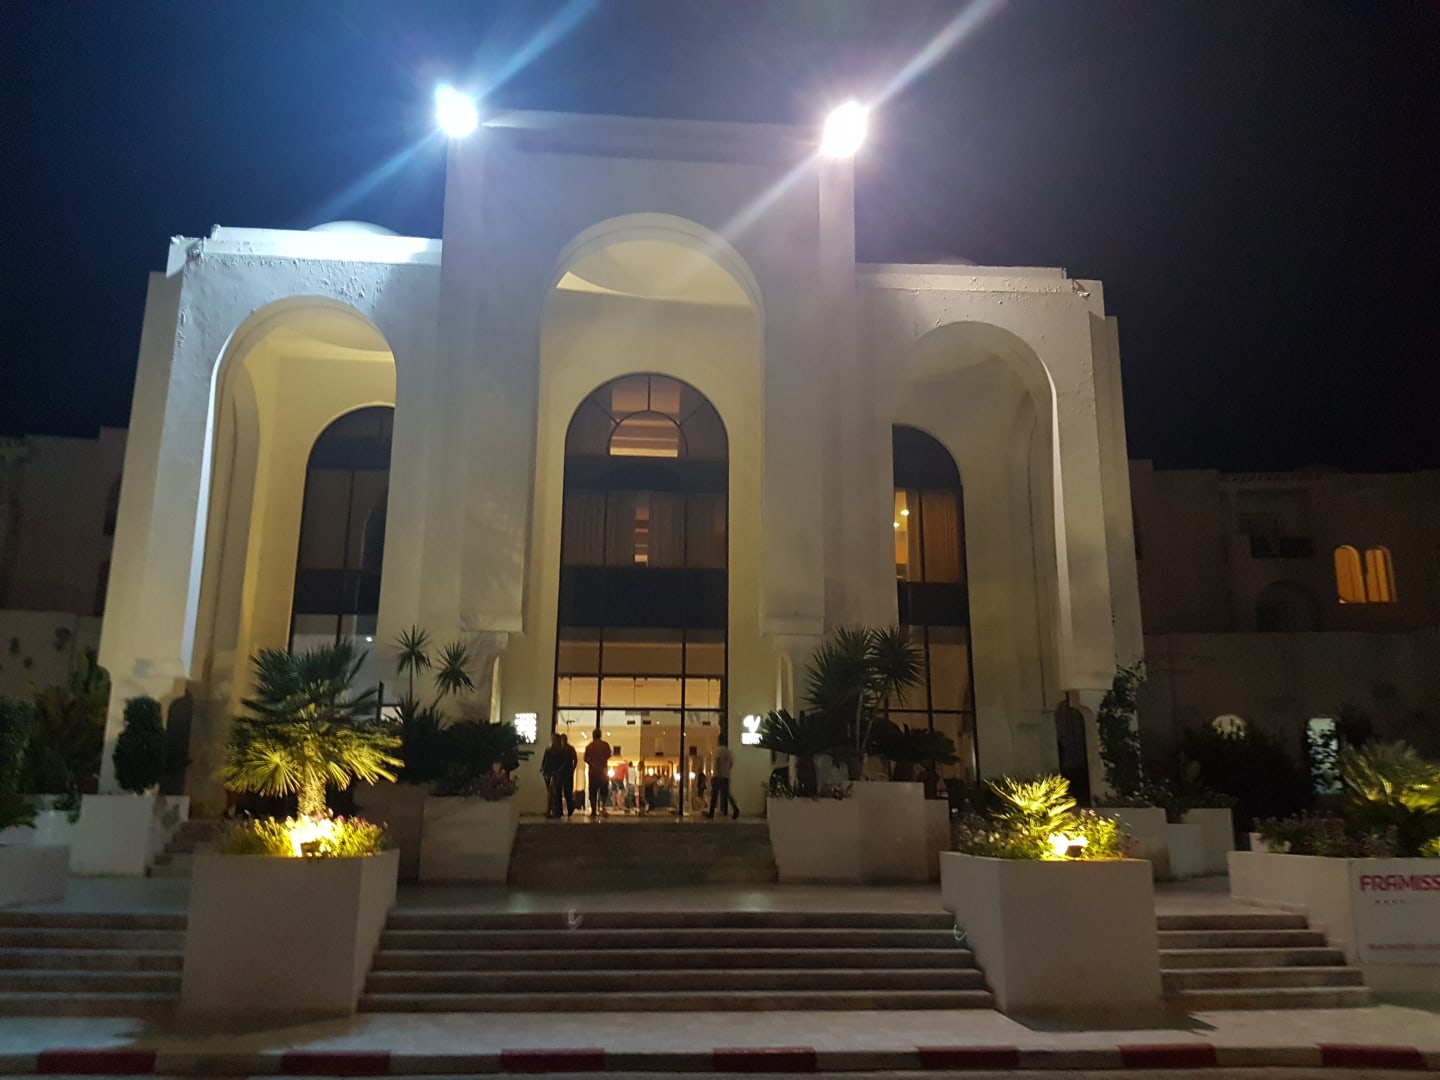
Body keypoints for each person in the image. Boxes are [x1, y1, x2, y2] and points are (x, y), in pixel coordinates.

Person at [707, 737, 740, 819]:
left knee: (715, 795)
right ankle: (735, 809)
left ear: (719, 741)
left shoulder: (719, 750)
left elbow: (718, 762)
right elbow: (731, 764)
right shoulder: (729, 752)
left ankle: (711, 813)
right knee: (727, 794)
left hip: (719, 776)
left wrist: (717, 773)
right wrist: (726, 771)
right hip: (726, 776)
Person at [583, 730, 611, 817]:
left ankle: (594, 810)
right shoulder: (605, 745)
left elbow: (586, 759)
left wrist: (592, 763)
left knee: (593, 791)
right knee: (604, 790)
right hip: (603, 771)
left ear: (593, 736)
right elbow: (608, 755)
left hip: (593, 772)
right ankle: (602, 807)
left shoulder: (589, 746)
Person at [541, 734, 564, 818]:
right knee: (553, 792)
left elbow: (545, 762)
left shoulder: (551, 751)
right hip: (552, 773)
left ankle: (551, 810)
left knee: (552, 792)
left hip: (552, 774)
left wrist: (544, 769)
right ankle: (553, 810)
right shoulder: (560, 751)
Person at [559, 734, 578, 818]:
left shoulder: (563, 749)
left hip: (565, 773)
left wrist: (573, 768)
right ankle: (568, 808)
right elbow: (575, 759)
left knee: (566, 792)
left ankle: (568, 808)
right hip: (566, 772)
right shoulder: (569, 749)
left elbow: (575, 759)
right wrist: (573, 768)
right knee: (566, 792)